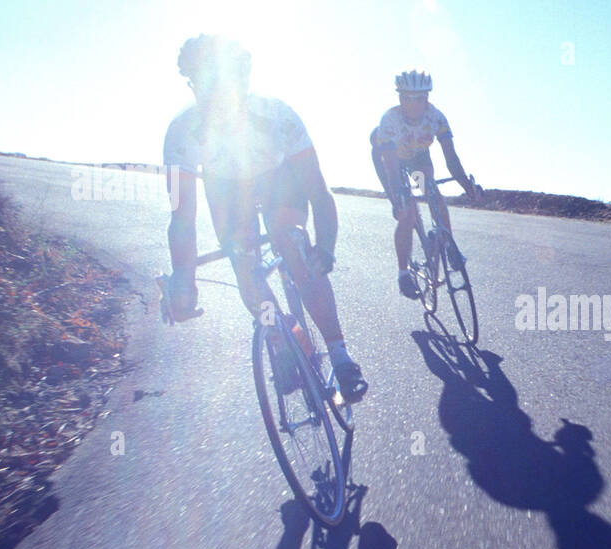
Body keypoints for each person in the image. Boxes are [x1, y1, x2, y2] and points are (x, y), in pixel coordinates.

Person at [162, 34, 366, 400]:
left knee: (290, 239)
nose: (214, 99)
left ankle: (341, 357)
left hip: (278, 176)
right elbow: (182, 217)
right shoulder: (181, 133)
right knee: (243, 261)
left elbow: (318, 192)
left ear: (244, 82)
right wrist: (183, 279)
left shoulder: (279, 116)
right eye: (201, 86)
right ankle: (280, 338)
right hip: (225, 185)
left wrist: (326, 247)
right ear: (192, 86)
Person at [369, 70, 481, 299]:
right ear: (400, 99)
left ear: (427, 98)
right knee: (406, 211)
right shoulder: (389, 120)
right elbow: (391, 168)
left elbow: (451, 158)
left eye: (419, 98)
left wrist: (467, 188)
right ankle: (403, 274)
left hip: (418, 158)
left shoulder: (436, 117)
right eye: (407, 98)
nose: (413, 104)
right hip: (390, 159)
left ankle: (449, 246)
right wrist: (398, 196)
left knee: (433, 193)